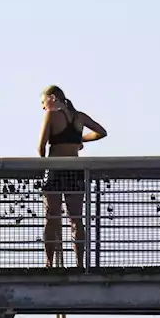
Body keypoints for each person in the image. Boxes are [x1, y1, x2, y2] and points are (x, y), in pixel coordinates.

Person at [37, 86, 108, 268]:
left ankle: (49, 262)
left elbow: (40, 146)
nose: (43, 108)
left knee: (51, 217)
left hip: (54, 169)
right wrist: (77, 140)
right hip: (75, 170)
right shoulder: (80, 117)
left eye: (43, 102)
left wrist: (43, 165)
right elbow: (101, 132)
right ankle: (79, 264)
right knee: (75, 218)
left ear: (52, 98)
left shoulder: (51, 115)